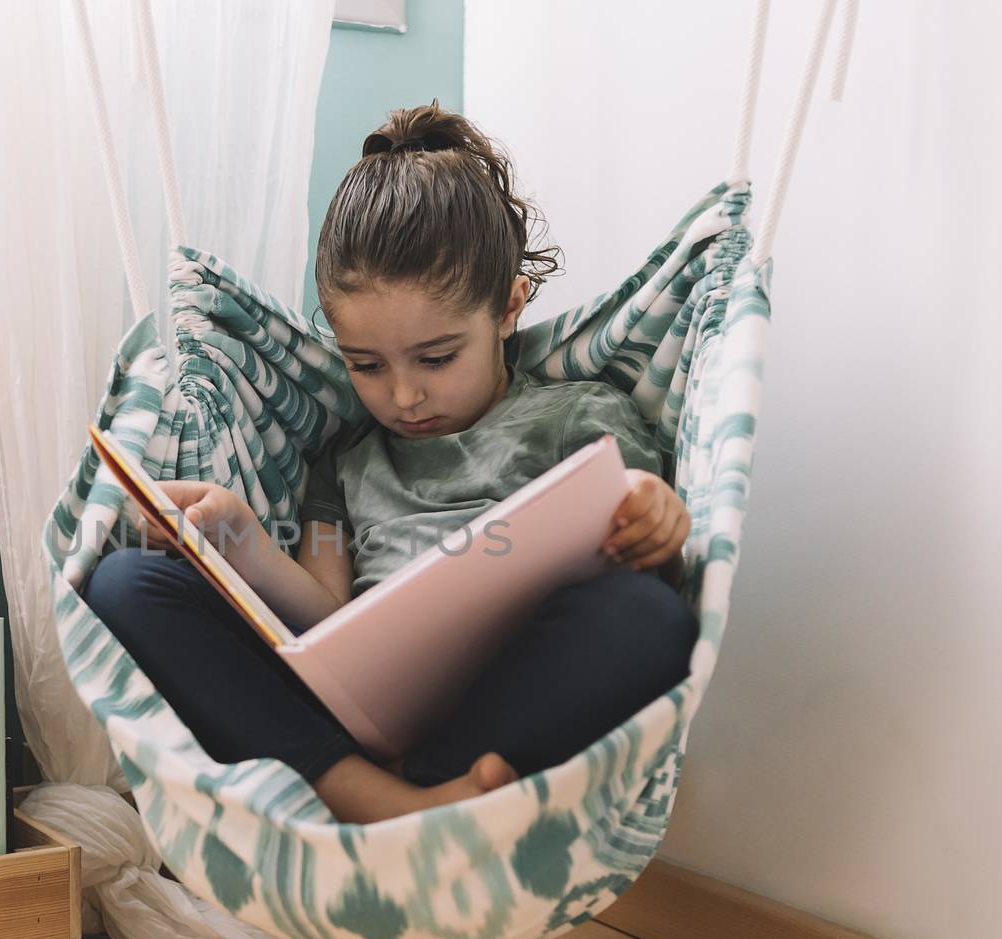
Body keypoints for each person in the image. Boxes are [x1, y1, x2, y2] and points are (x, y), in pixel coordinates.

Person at [84, 102, 698, 824]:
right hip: (357, 721)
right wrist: (240, 542)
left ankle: (427, 782)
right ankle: (374, 797)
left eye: (437, 358)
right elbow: (328, 618)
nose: (404, 395)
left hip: (499, 704)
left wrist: (653, 508)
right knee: (126, 582)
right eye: (365, 365)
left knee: (649, 618)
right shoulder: (345, 463)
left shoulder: (580, 418)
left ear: (507, 308)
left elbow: (640, 528)